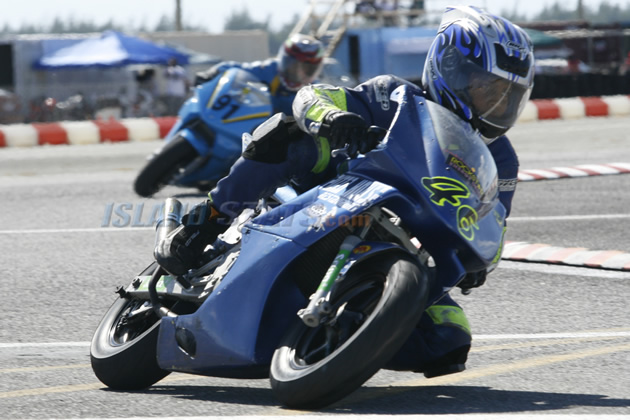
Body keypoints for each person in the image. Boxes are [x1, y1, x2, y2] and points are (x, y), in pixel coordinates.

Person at [155, 6, 534, 378]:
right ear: (450, 66)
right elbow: (313, 96)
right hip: (322, 196)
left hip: (400, 243)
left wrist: (476, 261)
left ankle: (339, 336)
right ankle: (203, 224)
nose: (498, 104)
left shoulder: (500, 160)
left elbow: (493, 222)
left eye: (509, 96)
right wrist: (333, 118)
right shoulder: (393, 95)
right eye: (488, 88)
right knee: (285, 134)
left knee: (449, 339)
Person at [193, 33, 325, 115]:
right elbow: (237, 68)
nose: (298, 73)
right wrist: (212, 73)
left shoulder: (315, 92)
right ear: (283, 59)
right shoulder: (268, 69)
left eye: (306, 69)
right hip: (251, 128)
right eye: (293, 66)